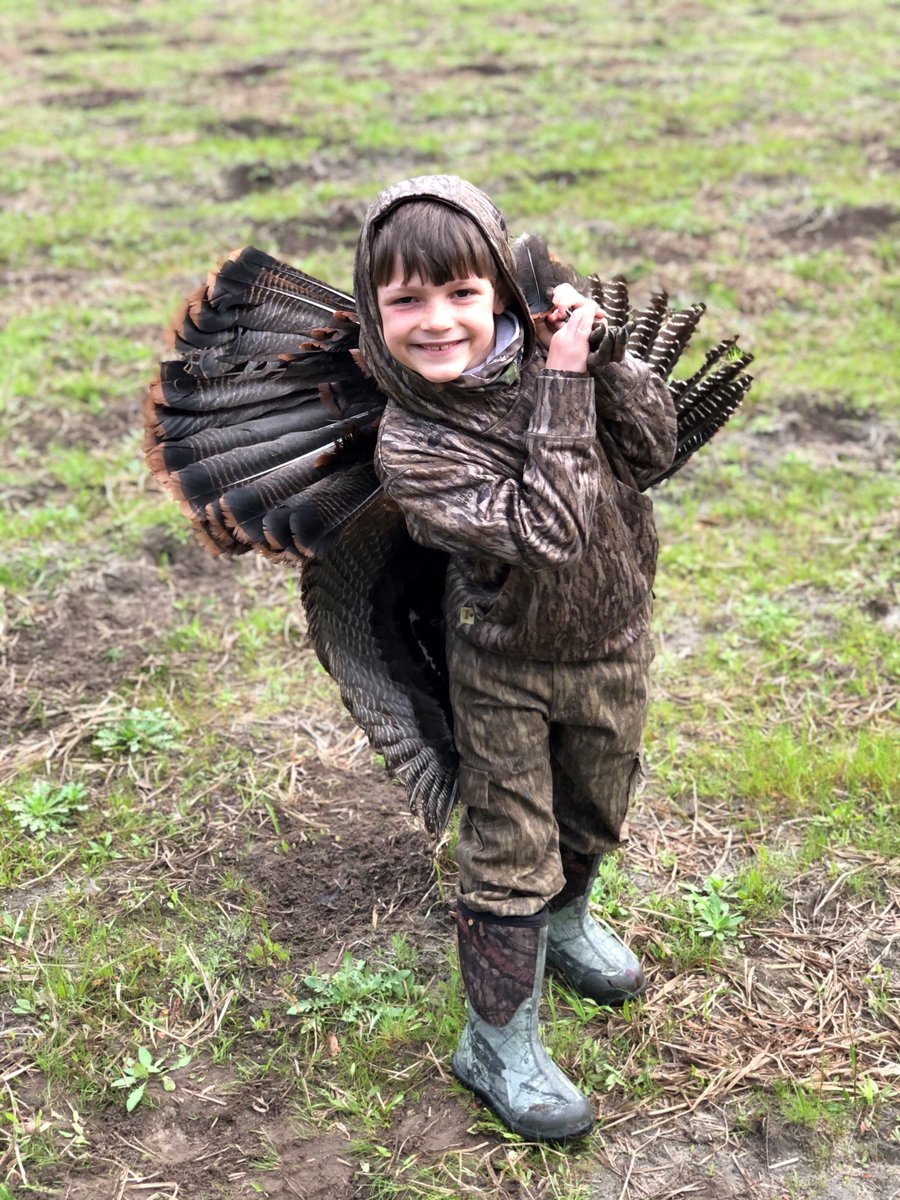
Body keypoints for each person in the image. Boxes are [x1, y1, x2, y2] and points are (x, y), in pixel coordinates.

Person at [352, 176, 677, 1142]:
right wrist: (567, 386)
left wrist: (605, 358)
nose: (438, 321)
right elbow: (555, 530)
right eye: (405, 300)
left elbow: (653, 449)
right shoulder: (413, 443)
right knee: (510, 845)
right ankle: (494, 1042)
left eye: (460, 293)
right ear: (373, 314)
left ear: (499, 288)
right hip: (502, 664)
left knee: (596, 801)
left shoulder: (555, 360)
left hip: (613, 643)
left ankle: (569, 920)